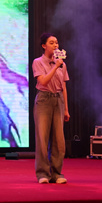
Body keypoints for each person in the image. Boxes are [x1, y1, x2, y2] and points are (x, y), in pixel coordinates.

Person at [32, 33, 70, 184]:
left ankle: (56, 173)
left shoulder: (62, 65)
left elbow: (64, 87)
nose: (55, 45)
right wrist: (55, 66)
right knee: (42, 138)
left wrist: (66, 109)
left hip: (58, 100)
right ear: (44, 46)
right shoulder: (38, 62)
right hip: (44, 100)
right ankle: (43, 173)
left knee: (59, 140)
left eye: (56, 43)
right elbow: (43, 81)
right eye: (52, 43)